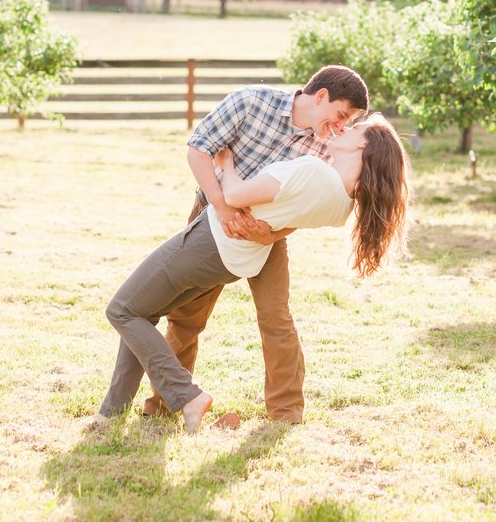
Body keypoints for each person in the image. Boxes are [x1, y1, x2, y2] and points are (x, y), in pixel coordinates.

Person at [96, 113, 411, 430]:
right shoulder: (341, 206)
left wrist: (227, 160)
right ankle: (111, 412)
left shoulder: (312, 171)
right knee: (141, 311)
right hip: (236, 259)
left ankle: (186, 395)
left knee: (122, 310)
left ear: (363, 145)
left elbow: (233, 195)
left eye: (356, 128)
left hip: (211, 242)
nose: (346, 128)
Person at [144, 65, 369, 424]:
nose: (340, 126)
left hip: (268, 235)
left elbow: (306, 204)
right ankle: (167, 402)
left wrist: (272, 235)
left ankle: (286, 414)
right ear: (321, 96)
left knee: (276, 318)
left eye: (348, 122)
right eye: (341, 115)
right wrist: (221, 208)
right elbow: (198, 149)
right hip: (211, 221)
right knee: (187, 318)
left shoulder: (326, 145)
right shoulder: (251, 101)